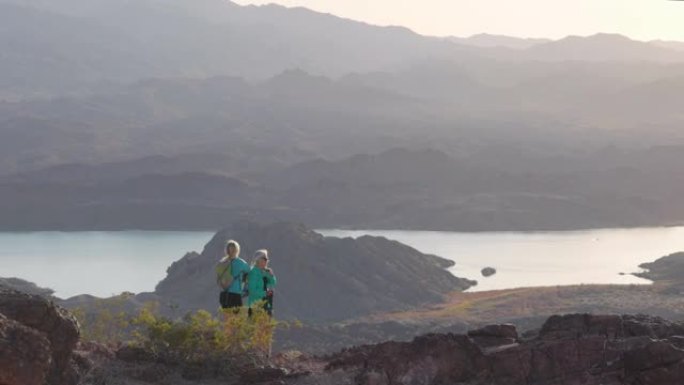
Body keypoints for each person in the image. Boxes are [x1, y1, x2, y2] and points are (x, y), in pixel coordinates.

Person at [215, 240, 250, 310]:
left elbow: (218, 276)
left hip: (225, 294)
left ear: (227, 250)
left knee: (227, 317)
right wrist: (246, 288)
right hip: (236, 293)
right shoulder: (241, 263)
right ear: (237, 250)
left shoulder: (222, 262)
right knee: (237, 318)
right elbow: (249, 272)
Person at [247, 249, 277, 317]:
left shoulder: (265, 271)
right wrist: (265, 293)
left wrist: (271, 275)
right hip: (255, 306)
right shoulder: (253, 273)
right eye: (265, 259)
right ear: (258, 259)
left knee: (265, 326)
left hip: (266, 305)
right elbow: (252, 291)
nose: (267, 261)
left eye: (267, 259)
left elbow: (273, 282)